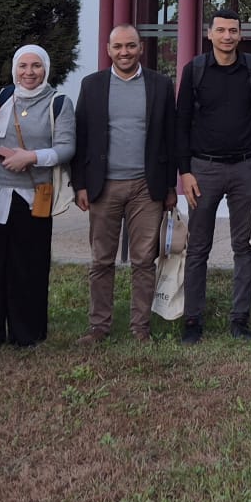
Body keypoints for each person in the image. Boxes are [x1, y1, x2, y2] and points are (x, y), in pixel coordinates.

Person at [73, 25, 177, 343]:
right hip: (103, 186)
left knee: (144, 260)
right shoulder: (92, 85)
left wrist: (170, 187)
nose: (124, 52)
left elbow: (170, 137)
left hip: (147, 186)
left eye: (130, 46)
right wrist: (79, 185)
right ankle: (99, 326)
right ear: (108, 49)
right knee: (101, 259)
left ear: (141, 48)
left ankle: (140, 328)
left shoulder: (160, 85)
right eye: (118, 47)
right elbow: (81, 137)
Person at [175, 12, 251, 342]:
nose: (227, 36)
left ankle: (240, 318)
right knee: (197, 247)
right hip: (204, 169)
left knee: (244, 246)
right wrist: (185, 171)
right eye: (221, 30)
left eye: (233, 30)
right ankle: (193, 319)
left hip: (247, 168)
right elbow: (181, 121)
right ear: (210, 34)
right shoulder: (195, 70)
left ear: (240, 34)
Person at [0, 44, 74, 351]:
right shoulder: (3, 96)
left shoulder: (58, 103)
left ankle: (26, 333)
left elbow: (66, 148)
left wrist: (31, 157)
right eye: (23, 66)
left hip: (32, 195)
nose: (29, 72)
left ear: (46, 69)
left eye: (36, 66)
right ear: (15, 68)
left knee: (28, 266)